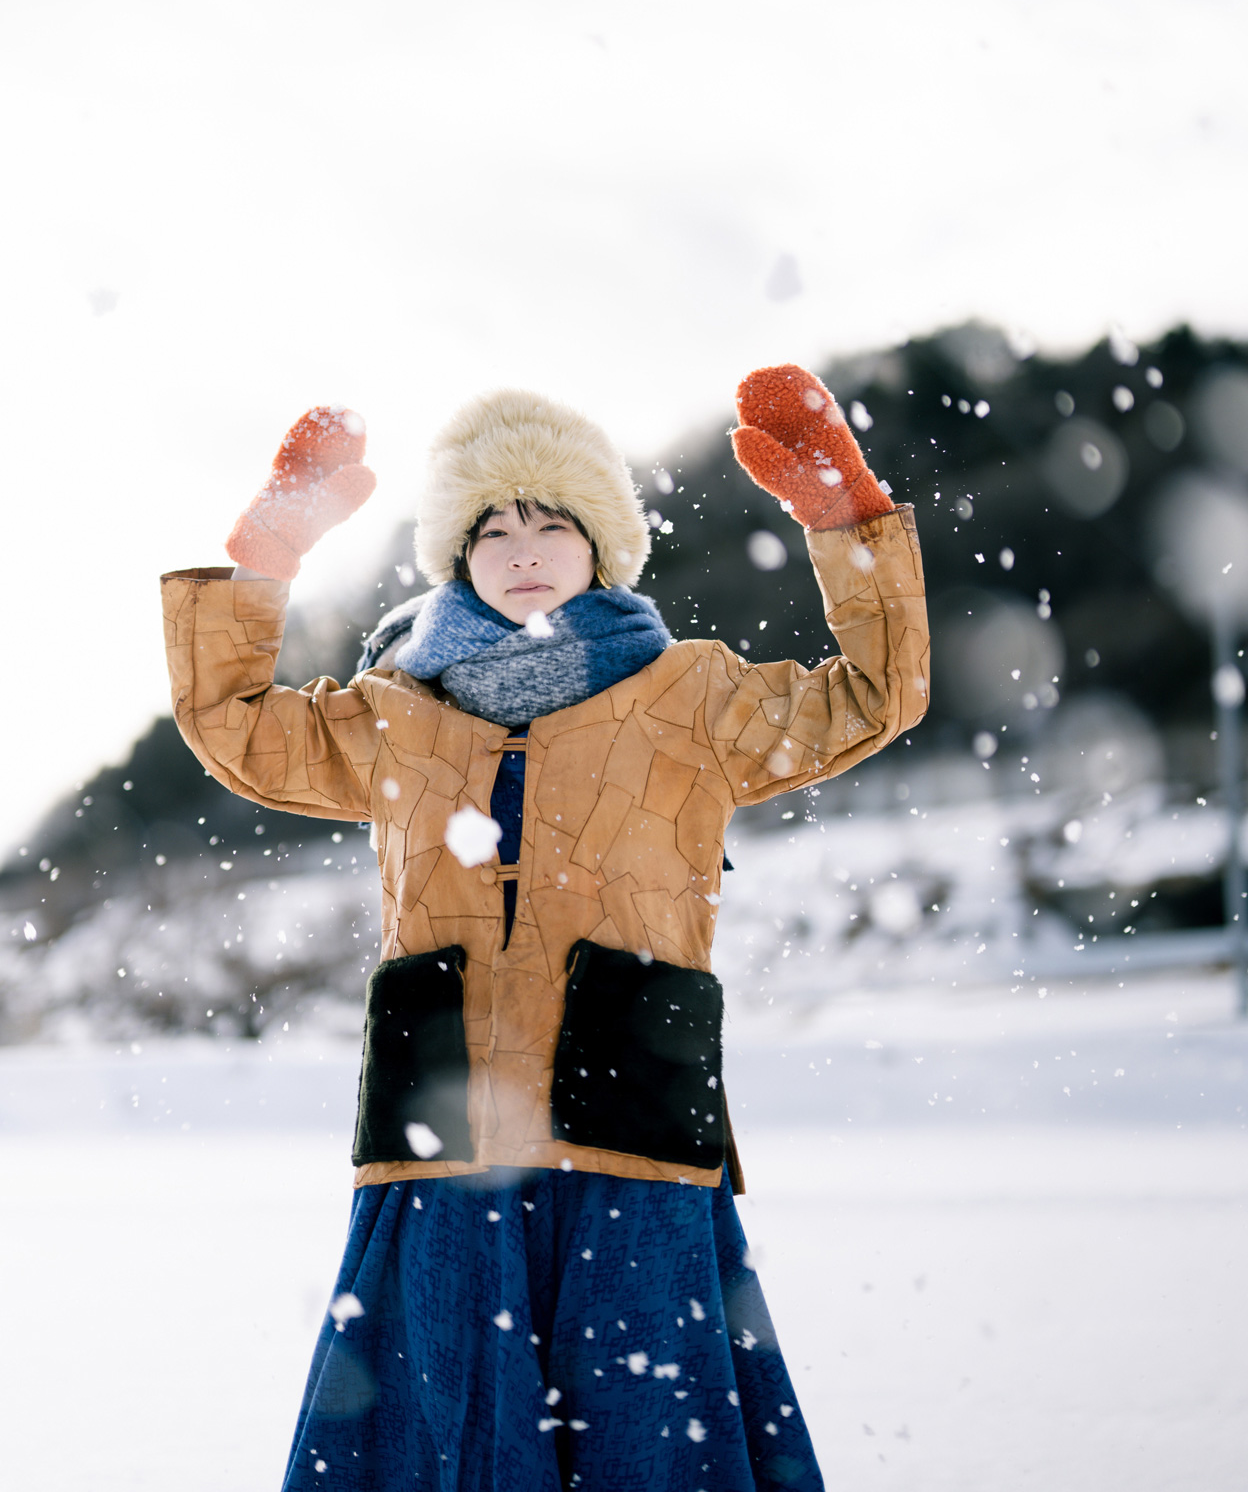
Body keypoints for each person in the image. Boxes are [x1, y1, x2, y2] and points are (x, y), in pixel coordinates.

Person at [160, 366, 929, 1491]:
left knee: (647, 1449)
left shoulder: (693, 696)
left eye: (553, 519)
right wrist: (268, 552)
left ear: (602, 547)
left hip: (635, 1133)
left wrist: (846, 520)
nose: (523, 544)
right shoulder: (393, 711)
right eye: (493, 526)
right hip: (444, 1144)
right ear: (457, 557)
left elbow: (880, 693)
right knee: (445, 1445)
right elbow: (230, 725)